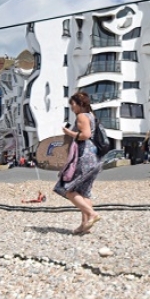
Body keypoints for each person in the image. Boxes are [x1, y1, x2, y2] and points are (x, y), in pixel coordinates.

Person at [52, 92, 102, 234]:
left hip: (84, 156)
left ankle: (92, 214)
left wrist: (69, 132)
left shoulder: (81, 116)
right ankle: (85, 225)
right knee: (84, 192)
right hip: (94, 156)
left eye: (73, 104)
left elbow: (85, 135)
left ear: (80, 104)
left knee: (67, 189)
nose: (72, 107)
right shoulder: (92, 116)